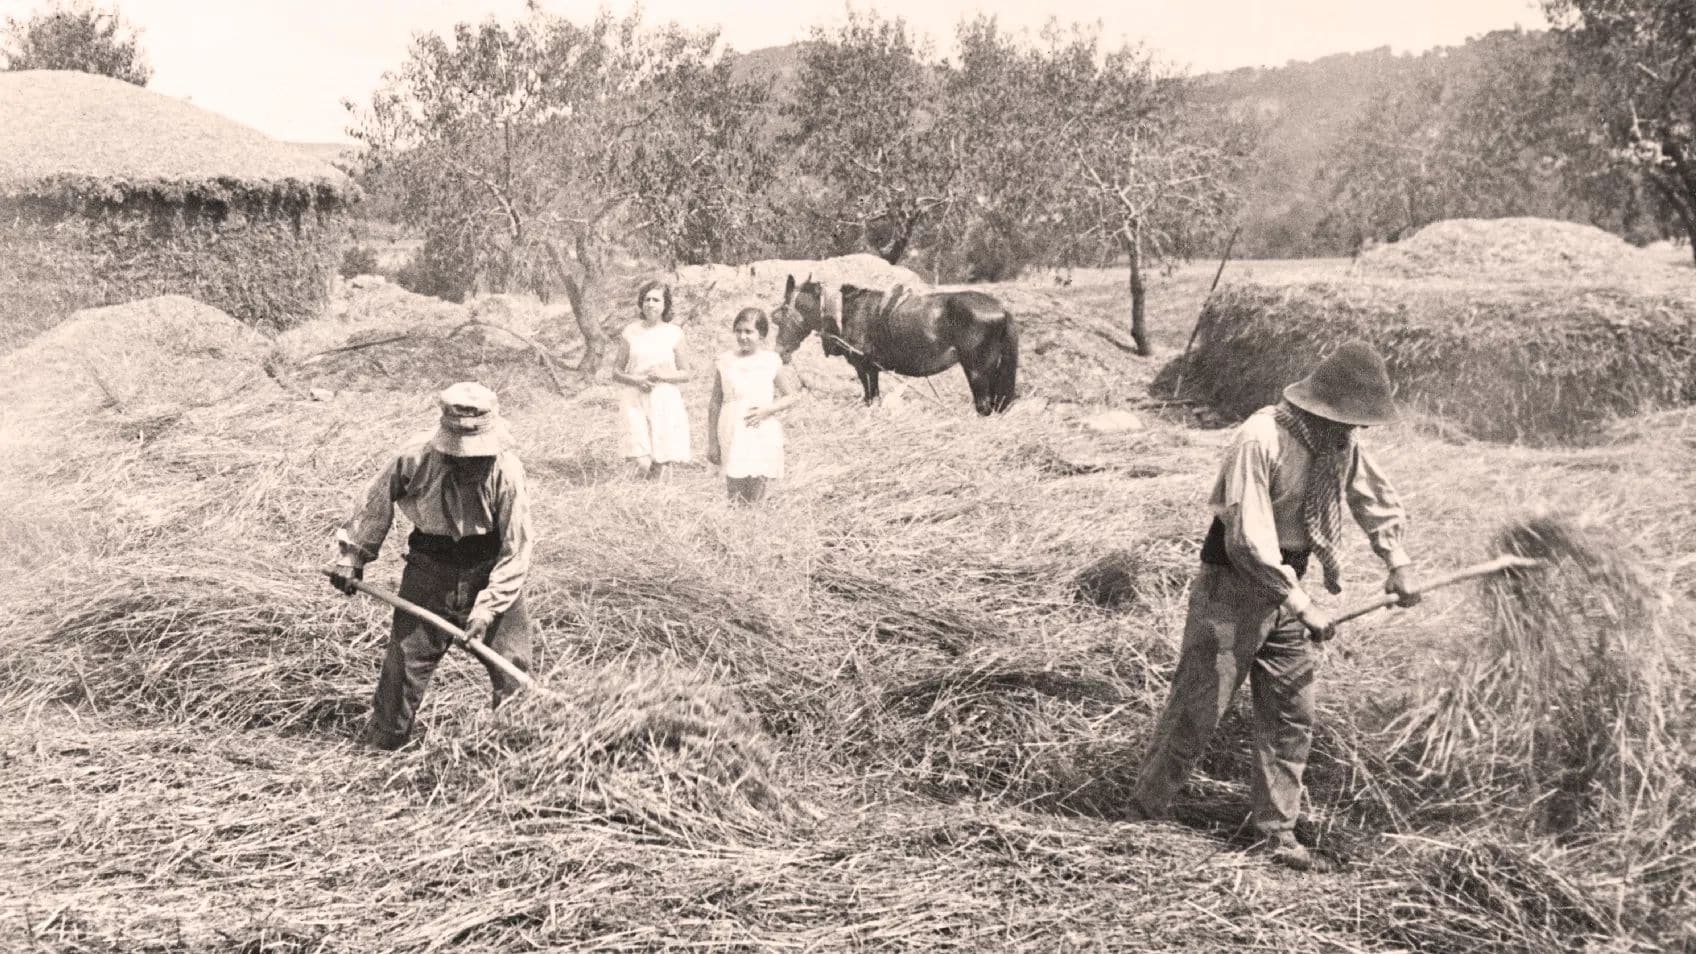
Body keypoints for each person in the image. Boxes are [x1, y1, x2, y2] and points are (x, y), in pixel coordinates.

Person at [1129, 341, 1422, 872]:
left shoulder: (1338, 441)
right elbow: (1247, 541)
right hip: (1233, 589)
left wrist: (1396, 559)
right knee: (1198, 709)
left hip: (1290, 591)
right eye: (1349, 420)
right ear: (1320, 406)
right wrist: (1298, 601)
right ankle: (1142, 814)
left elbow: (1372, 497)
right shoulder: (1260, 438)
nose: (1354, 432)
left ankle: (1275, 833)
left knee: (1291, 716)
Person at [325, 381, 534, 751]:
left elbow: (516, 550)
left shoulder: (506, 471)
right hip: (429, 568)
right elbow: (375, 502)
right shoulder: (415, 456)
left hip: (488, 570)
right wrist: (353, 557)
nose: (467, 460)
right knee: (403, 667)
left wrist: (488, 607)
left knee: (513, 667)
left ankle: (517, 746)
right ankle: (385, 745)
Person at [707, 307, 804, 503]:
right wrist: (712, 442)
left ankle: (754, 526)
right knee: (735, 492)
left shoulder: (770, 361)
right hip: (732, 429)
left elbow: (791, 396)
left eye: (749, 331)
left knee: (757, 491)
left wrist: (767, 410)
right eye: (739, 331)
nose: (743, 336)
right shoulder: (725, 361)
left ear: (761, 335)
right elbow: (715, 402)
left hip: (761, 429)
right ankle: (735, 530)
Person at [612, 280, 692, 479]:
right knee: (641, 460)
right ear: (641, 303)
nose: (650, 304)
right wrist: (638, 380)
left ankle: (651, 499)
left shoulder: (674, 333)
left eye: (656, 300)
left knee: (660, 460)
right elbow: (616, 371)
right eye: (646, 299)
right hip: (635, 398)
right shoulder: (631, 332)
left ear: (665, 305)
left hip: (664, 398)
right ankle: (641, 488)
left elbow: (686, 373)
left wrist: (663, 375)